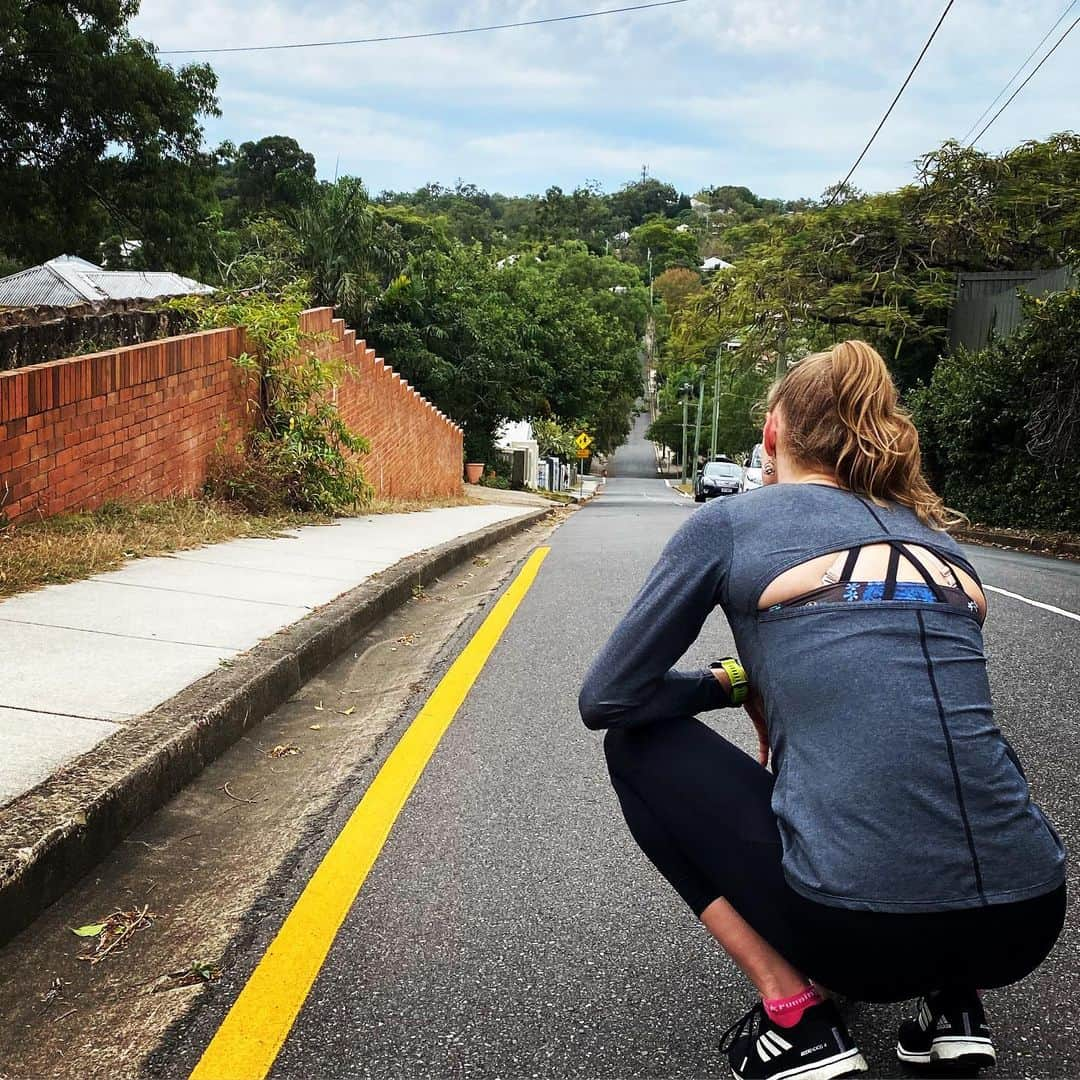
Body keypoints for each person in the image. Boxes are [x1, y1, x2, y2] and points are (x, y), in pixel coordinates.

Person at [578, 341, 1065, 1080]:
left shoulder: (735, 522)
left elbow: (607, 697)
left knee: (633, 745)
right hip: (1029, 920)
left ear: (773, 436)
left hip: (860, 937)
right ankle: (955, 1006)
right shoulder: (940, 544)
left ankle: (795, 1021)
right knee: (953, 738)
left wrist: (728, 684)